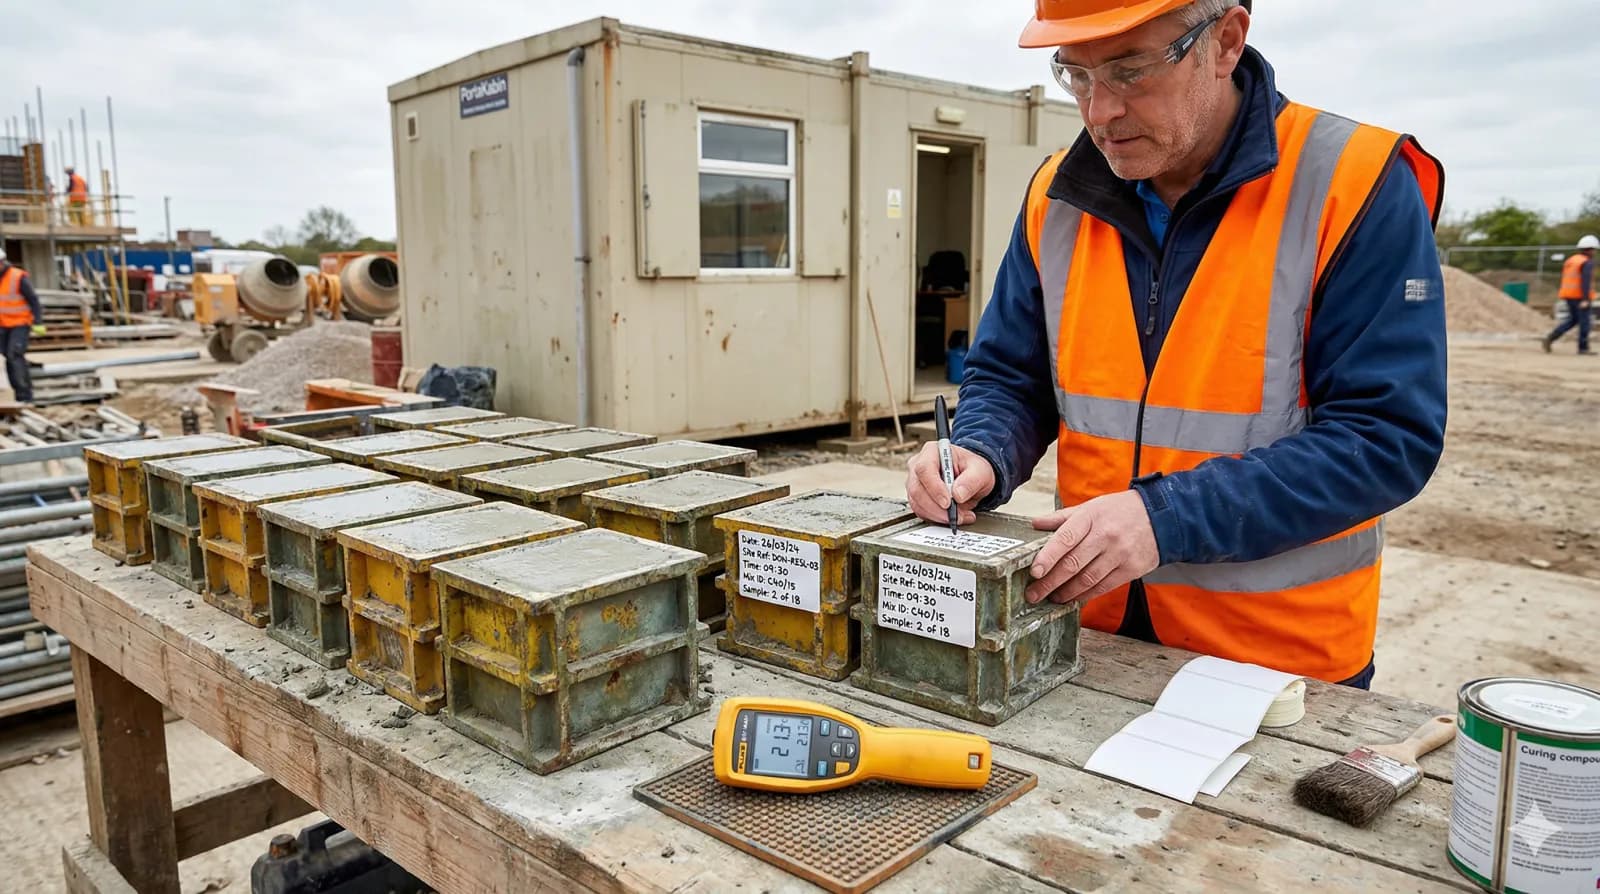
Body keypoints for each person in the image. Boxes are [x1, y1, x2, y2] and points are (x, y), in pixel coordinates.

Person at [904, 0, 1447, 689]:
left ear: (1225, 41)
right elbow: (1012, 375)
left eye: (1130, 71)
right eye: (1075, 75)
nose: (1100, 112)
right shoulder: (1057, 196)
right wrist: (982, 447)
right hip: (1088, 639)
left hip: (1278, 666)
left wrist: (1164, 519)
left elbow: (1385, 439)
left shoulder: (1354, 182)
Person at [0, 249, 46, 404]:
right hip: (2, 326)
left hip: (20, 324)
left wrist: (38, 321)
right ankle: (18, 394)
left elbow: (33, 300)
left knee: (14, 355)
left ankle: (25, 396)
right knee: (8, 358)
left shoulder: (17, 277)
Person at [1543, 234, 1595, 355]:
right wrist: (1585, 299)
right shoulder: (1586, 262)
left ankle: (1551, 337)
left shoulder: (1571, 260)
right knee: (1584, 322)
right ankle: (1583, 348)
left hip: (1568, 294)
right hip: (1579, 296)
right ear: (1590, 249)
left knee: (1573, 320)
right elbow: (1585, 281)